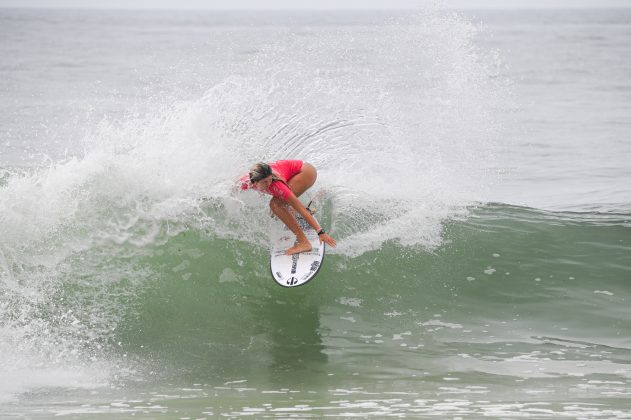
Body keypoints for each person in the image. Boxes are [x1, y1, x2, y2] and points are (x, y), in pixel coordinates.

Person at [240, 160, 336, 255]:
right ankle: (297, 212)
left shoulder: (276, 184)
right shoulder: (245, 183)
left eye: (269, 180)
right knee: (275, 212)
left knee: (275, 205)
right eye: (265, 182)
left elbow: (300, 208)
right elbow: (232, 189)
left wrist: (320, 232)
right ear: (254, 182)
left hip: (306, 173)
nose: (268, 184)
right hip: (296, 171)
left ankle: (304, 243)